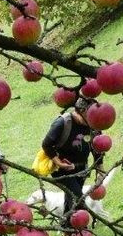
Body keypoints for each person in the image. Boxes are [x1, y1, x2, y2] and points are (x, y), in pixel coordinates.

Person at [41, 97, 105, 228]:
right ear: (81, 111)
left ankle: (66, 227)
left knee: (71, 197)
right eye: (91, 114)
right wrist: (59, 163)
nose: (95, 118)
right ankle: (80, 230)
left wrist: (100, 169)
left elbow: (97, 148)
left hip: (81, 169)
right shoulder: (63, 123)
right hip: (61, 170)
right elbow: (46, 144)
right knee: (77, 197)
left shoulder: (94, 125)